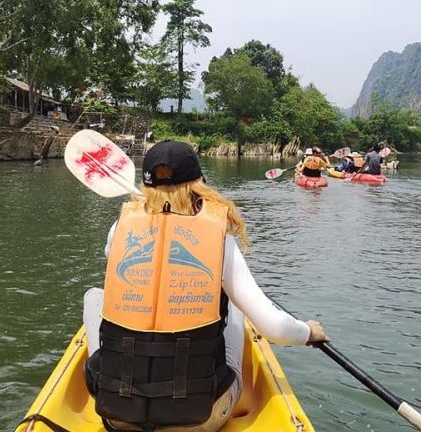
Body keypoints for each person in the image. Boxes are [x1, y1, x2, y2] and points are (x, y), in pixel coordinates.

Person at [83, 140, 329, 431]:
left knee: (94, 295)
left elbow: (112, 258)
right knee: (237, 309)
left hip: (117, 413)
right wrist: (307, 332)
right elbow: (275, 329)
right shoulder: (219, 239)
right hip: (197, 419)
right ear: (200, 185)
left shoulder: (120, 229)